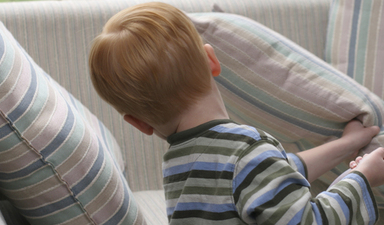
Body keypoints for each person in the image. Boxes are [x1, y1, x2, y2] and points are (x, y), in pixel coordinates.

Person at [89, 2, 384, 224]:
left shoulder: (179, 163)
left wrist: (344, 146)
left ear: (138, 123)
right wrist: (362, 178)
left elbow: (276, 171)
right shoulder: (247, 150)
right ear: (212, 60)